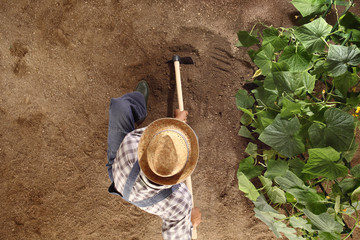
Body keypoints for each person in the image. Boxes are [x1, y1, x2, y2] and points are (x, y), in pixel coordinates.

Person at [106, 80, 202, 240]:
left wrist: (177, 123)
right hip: (128, 185)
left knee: (120, 107)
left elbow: (157, 133)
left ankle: (137, 104)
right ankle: (139, 107)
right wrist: (190, 223)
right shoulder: (181, 200)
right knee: (193, 139)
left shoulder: (132, 143)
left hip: (117, 172)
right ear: (179, 174)